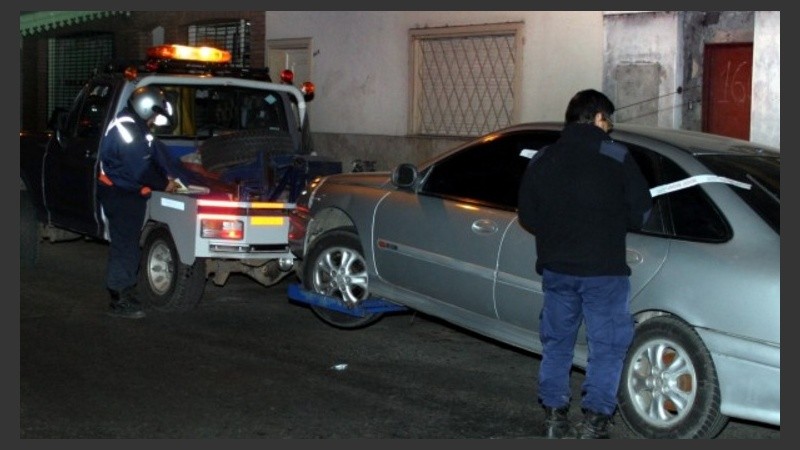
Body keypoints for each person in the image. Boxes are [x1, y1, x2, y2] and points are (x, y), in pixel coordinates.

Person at [517, 89, 653, 439]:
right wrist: (613, 218)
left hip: (557, 270)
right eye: (609, 120)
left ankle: (553, 415)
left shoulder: (544, 158)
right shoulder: (617, 155)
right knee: (606, 346)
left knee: (557, 343)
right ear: (597, 118)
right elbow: (642, 210)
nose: (610, 128)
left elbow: (528, 214)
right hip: (603, 272)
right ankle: (595, 420)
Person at [97, 85, 180, 319]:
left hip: (126, 193)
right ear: (145, 108)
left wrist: (166, 176)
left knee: (129, 244)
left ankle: (125, 289)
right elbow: (141, 168)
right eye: (154, 114)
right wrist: (164, 184)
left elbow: (152, 157)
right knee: (124, 245)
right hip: (121, 194)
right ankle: (119, 297)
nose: (155, 119)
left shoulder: (135, 126)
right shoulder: (129, 130)